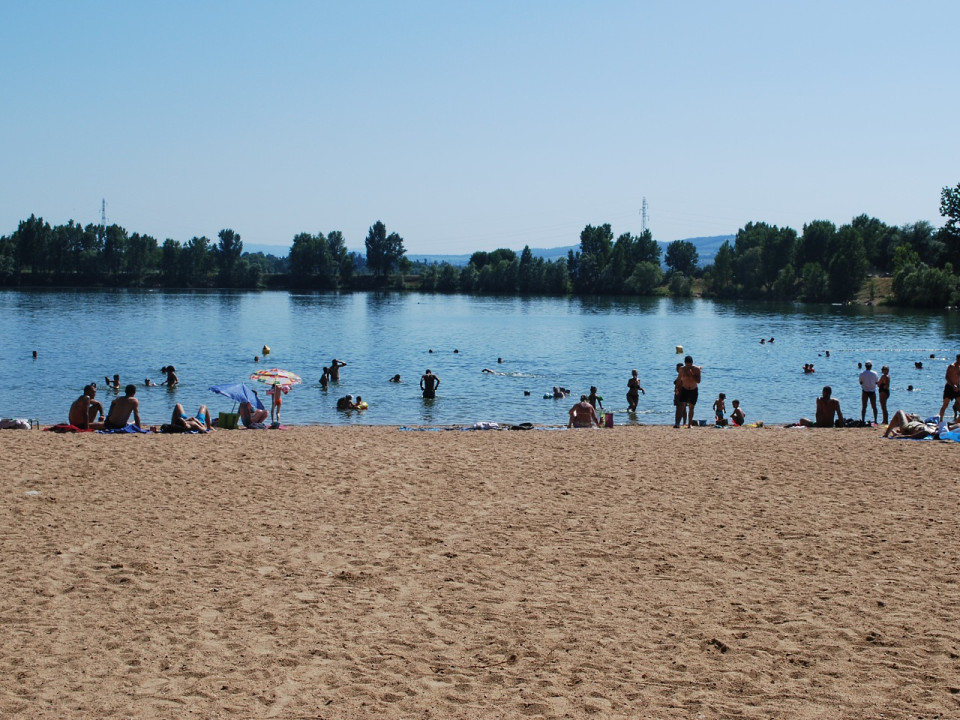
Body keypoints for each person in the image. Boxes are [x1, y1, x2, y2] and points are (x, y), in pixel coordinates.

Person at [677, 355, 702, 428]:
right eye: (687, 364)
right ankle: (678, 423)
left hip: (693, 389)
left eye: (690, 364)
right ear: (685, 363)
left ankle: (689, 424)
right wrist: (676, 388)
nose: (688, 366)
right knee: (682, 406)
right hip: (684, 389)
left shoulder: (696, 369)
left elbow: (699, 381)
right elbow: (679, 379)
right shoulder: (682, 369)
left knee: (691, 407)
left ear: (692, 363)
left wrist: (693, 375)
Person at [938, 354, 960, 422]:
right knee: (945, 404)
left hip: (957, 387)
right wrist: (953, 385)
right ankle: (940, 420)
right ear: (957, 359)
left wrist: (957, 386)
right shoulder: (951, 366)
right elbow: (947, 377)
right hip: (949, 387)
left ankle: (957, 421)